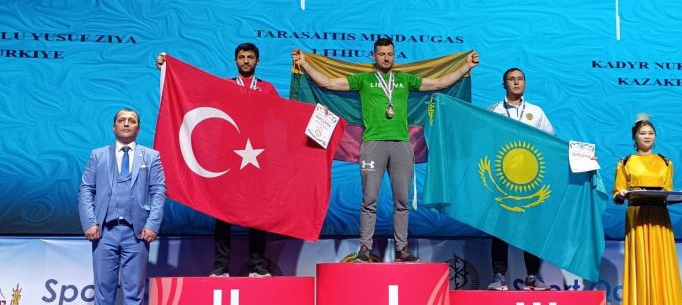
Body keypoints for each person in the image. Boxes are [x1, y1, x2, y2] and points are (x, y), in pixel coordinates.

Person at [292, 37, 480, 262]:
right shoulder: (364, 79)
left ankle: (402, 249)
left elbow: (439, 83)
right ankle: (365, 248)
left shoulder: (404, 79)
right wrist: (305, 64)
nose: (386, 58)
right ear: (374, 56)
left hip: (402, 145)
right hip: (373, 144)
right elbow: (329, 84)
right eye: (382, 54)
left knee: (402, 201)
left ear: (394, 55)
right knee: (369, 199)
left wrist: (465, 66)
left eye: (390, 54)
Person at [156, 42, 278, 277]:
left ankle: (259, 267)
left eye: (250, 57)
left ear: (257, 61)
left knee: (258, 214)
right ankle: (221, 267)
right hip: (227, 158)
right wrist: (166, 70)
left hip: (257, 158)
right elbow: (192, 94)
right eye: (241, 57)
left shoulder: (267, 88)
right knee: (222, 213)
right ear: (235, 60)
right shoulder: (224, 86)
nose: (246, 61)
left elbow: (284, 115)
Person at [78, 108, 166, 305]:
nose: (126, 123)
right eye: (122, 120)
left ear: (138, 129)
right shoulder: (98, 155)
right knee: (103, 294)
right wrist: (89, 222)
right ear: (114, 127)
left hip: (137, 232)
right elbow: (86, 189)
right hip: (104, 232)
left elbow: (158, 192)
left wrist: (152, 224)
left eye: (131, 121)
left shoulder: (151, 157)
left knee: (134, 294)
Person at [487, 67, 553, 291]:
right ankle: (498, 276)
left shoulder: (536, 112)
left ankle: (532, 277)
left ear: (525, 83)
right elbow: (484, 143)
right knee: (500, 228)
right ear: (503, 84)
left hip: (530, 180)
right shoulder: (493, 111)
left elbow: (551, 143)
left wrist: (581, 157)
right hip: (502, 180)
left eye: (520, 79)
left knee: (532, 229)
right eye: (511, 79)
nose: (516, 82)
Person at [613, 115, 682, 305]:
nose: (647, 136)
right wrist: (621, 194)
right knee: (640, 260)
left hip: (659, 215)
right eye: (642, 133)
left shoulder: (666, 162)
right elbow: (617, 194)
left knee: (662, 260)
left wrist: (676, 198)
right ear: (634, 137)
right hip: (637, 215)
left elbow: (668, 191)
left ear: (655, 136)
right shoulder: (625, 162)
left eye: (651, 133)